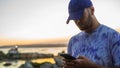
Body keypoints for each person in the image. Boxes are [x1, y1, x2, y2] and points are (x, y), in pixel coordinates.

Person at [63, 0, 120, 68]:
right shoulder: (73, 41)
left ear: (92, 10)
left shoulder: (114, 37)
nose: (77, 21)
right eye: (74, 18)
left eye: (80, 16)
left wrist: (92, 66)